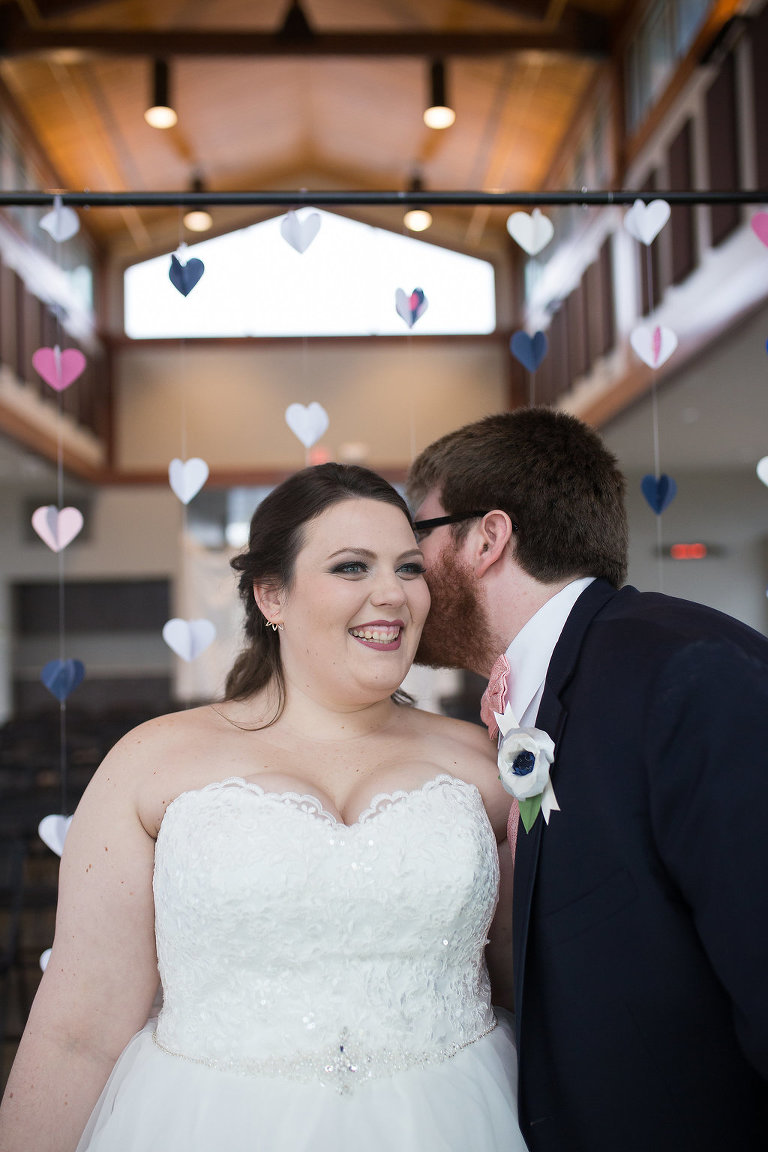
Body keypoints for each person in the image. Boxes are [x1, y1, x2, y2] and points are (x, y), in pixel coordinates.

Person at [0, 462, 526, 1152]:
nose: (391, 595)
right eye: (350, 568)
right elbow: (79, 1033)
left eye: (406, 568)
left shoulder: (489, 760)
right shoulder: (152, 760)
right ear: (272, 595)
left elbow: (531, 983)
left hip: (459, 1118)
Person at [407, 407, 768, 1152]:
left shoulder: (684, 675)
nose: (405, 575)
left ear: (486, 539)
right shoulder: (542, 691)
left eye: (418, 539)